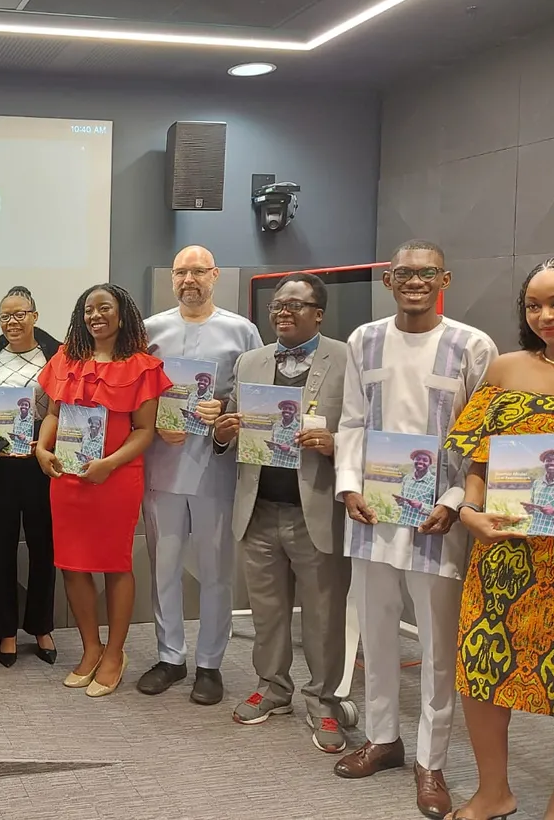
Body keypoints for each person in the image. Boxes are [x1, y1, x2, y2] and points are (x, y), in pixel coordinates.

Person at [335, 240, 498, 819]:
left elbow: (484, 440)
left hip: (440, 517)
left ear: (444, 278)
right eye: (403, 273)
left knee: (435, 647)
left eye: (425, 274)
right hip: (373, 512)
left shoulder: (472, 345)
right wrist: (349, 484)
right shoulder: (364, 339)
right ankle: (383, 739)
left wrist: (456, 500)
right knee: (376, 633)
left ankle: (432, 762)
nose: (414, 282)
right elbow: (352, 420)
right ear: (387, 279)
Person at [442, 257, 554, 820]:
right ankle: (493, 791)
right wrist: (471, 510)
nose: (546, 315)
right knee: (481, 667)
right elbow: (479, 454)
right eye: (534, 305)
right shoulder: (505, 368)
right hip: (504, 546)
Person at [213, 273, 351, 753]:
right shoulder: (250, 361)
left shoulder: (346, 358)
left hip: (315, 511)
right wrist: (224, 433)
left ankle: (323, 700)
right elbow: (228, 425)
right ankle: (274, 688)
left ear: (319, 312)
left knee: (322, 614)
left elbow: (365, 426)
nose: (283, 311)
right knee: (268, 613)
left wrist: (337, 443)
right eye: (277, 305)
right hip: (258, 509)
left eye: (295, 303)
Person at [139, 245, 263, 703]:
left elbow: (256, 396)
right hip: (161, 464)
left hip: (216, 465)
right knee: (163, 567)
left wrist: (226, 408)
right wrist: (154, 421)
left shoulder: (241, 330)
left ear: (214, 275)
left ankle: (210, 664)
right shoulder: (151, 330)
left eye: (197, 272)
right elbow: (137, 395)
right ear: (171, 279)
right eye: (180, 272)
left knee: (215, 570)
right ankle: (170, 655)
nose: (188, 280)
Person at [36, 283, 170, 697]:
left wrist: (110, 464)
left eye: (105, 308)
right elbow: (54, 414)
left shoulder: (143, 367)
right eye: (89, 309)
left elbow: (145, 431)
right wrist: (41, 449)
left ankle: (115, 653)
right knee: (73, 565)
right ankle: (91, 649)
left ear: (122, 313)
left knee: (115, 564)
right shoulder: (65, 359)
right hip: (68, 477)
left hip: (115, 477)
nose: (96, 315)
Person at [0, 286, 60, 667]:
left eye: (20, 314)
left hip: (42, 465)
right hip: (0, 467)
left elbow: (68, 406)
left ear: (35, 316)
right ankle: (5, 630)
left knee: (45, 550)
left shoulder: (57, 355)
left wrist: (48, 442)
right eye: (5, 316)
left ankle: (41, 626)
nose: (12, 322)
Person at [524, 448, 554, 533]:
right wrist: (529, 509)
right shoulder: (537, 483)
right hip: (534, 531)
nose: (552, 463)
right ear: (544, 463)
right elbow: (533, 509)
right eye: (548, 460)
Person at [396, 450, 437, 528]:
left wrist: (421, 506)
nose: (421, 462)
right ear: (414, 460)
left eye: (425, 460)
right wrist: (400, 501)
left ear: (430, 463)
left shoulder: (434, 482)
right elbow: (403, 503)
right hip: (402, 524)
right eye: (418, 459)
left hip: (420, 528)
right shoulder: (407, 478)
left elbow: (438, 511)